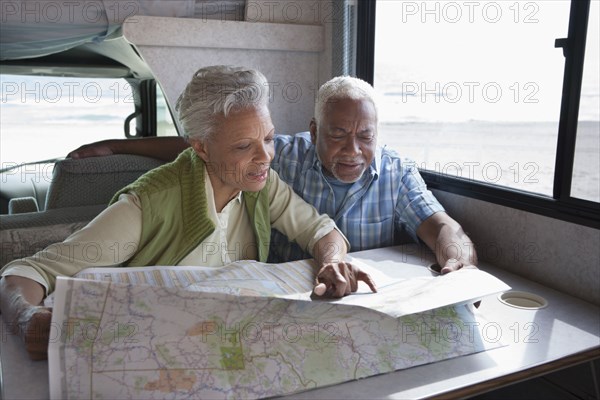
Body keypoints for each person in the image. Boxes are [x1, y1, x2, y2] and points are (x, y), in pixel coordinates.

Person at [0, 66, 377, 360]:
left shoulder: (263, 186)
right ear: (201, 147)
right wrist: (25, 318)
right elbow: (25, 272)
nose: (266, 157)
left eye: (267, 138)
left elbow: (321, 230)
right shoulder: (145, 207)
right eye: (245, 145)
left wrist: (333, 262)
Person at [68, 76, 478, 274]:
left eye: (365, 137)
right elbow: (209, 149)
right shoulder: (282, 156)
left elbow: (441, 225)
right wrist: (119, 146)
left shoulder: (396, 172)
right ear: (314, 131)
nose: (353, 150)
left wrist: (460, 263)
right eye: (337, 135)